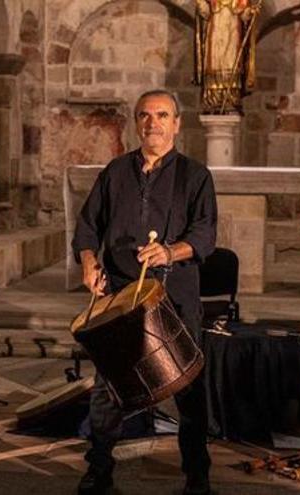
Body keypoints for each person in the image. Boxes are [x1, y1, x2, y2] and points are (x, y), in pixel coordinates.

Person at [71, 89, 218, 495]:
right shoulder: (115, 173)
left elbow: (205, 235)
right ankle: (98, 469)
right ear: (136, 123)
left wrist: (170, 251)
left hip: (175, 299)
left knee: (188, 389)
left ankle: (197, 476)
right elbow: (87, 227)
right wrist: (88, 261)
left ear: (176, 123)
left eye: (161, 115)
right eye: (145, 115)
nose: (152, 123)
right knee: (109, 389)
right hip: (120, 298)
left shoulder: (195, 175)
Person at [194, 0, 258, 113]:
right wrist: (200, 3)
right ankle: (213, 98)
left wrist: (251, 11)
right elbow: (205, 13)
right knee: (213, 63)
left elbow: (244, 16)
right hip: (215, 32)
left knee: (231, 62)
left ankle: (231, 98)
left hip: (233, 32)